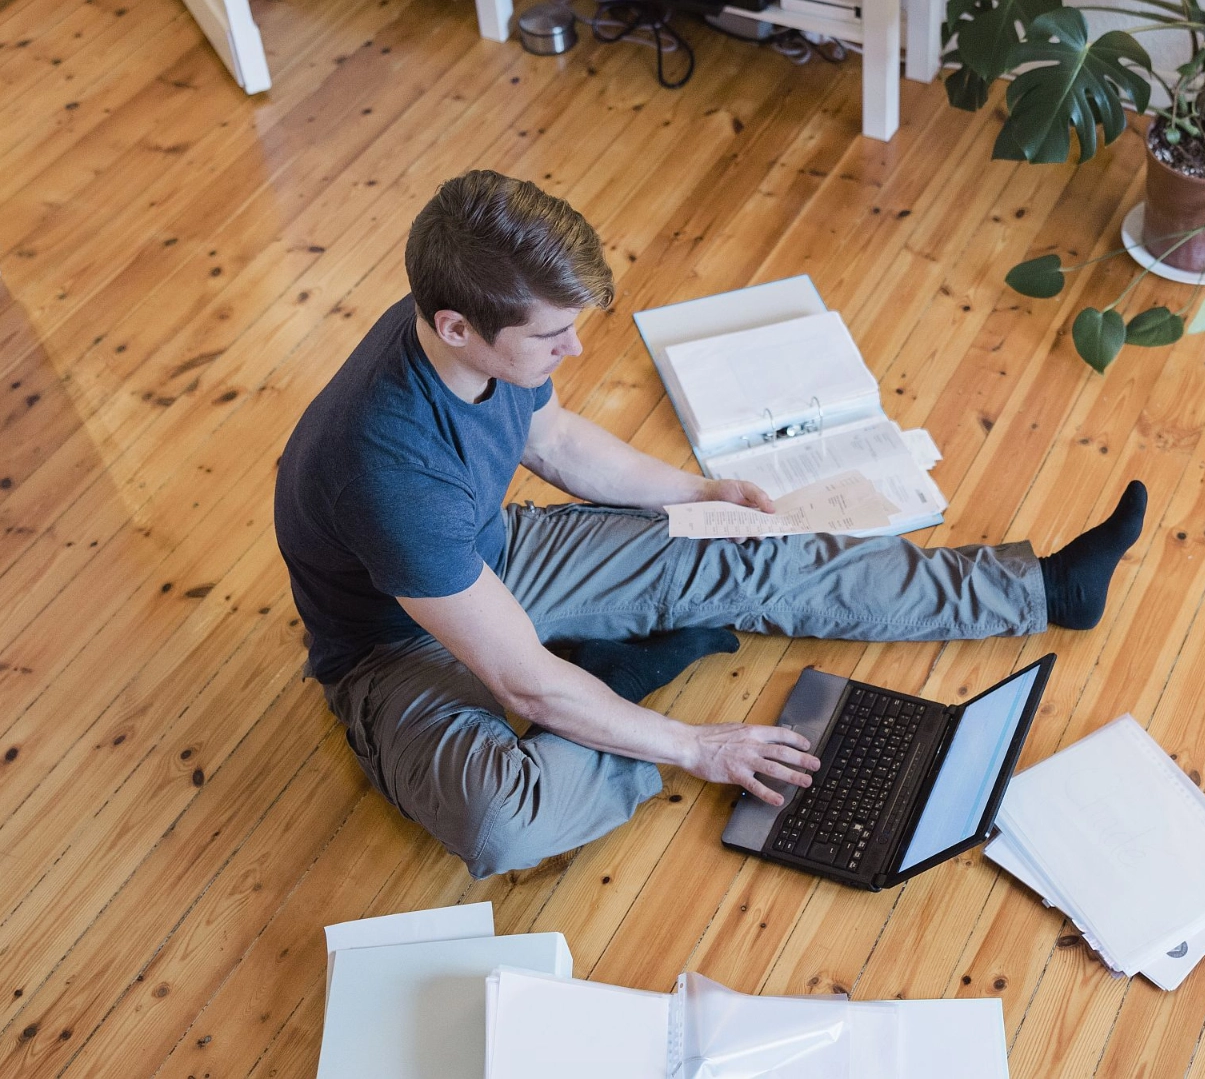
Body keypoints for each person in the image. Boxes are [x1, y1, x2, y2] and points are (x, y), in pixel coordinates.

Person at [274, 170, 1148, 879]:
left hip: (495, 556)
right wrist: (699, 747)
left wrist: (698, 493)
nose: (571, 352)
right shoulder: (390, 473)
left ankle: (1040, 588)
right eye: (552, 338)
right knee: (503, 820)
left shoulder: (466, 318)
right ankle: (622, 682)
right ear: (458, 327)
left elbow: (555, 439)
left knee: (741, 544)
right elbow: (522, 686)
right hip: (396, 646)